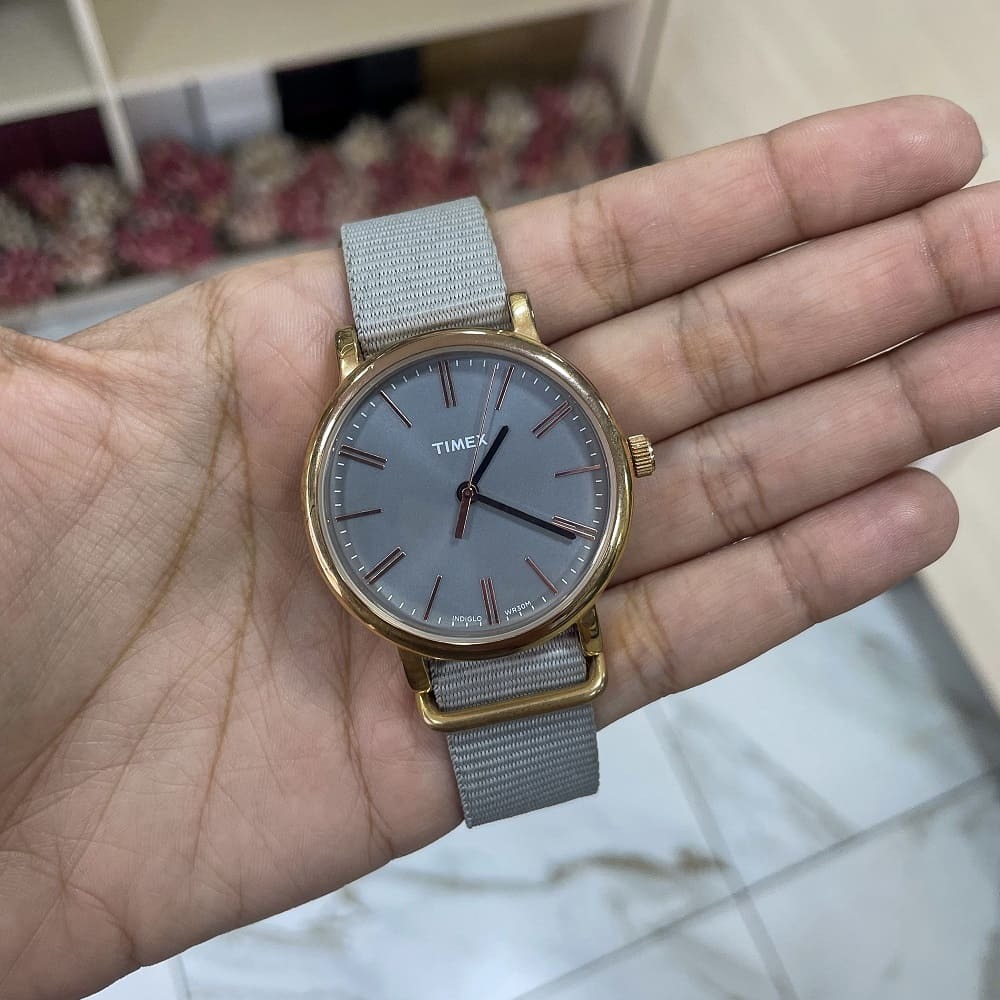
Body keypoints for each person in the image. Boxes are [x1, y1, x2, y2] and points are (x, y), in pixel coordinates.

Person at [1, 96, 996, 999]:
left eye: (476, 486)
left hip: (487, 579)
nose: (467, 492)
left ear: (623, 456)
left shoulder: (509, 411)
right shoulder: (392, 458)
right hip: (457, 600)